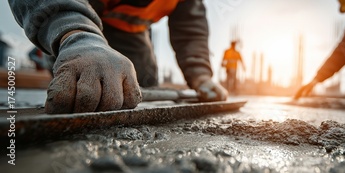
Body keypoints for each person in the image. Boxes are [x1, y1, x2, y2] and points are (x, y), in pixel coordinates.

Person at [8, 0, 227, 114]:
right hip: (78, 20)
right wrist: (73, 34)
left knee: (136, 91)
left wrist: (200, 75)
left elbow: (191, 29)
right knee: (83, 87)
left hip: (131, 34)